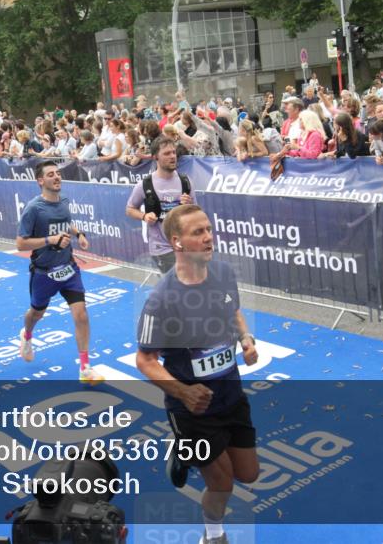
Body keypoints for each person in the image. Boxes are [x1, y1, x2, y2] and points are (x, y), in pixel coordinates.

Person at [135, 204, 259, 544]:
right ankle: (213, 535)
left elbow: (234, 311)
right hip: (193, 410)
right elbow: (145, 360)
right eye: (197, 233)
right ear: (176, 242)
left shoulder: (223, 274)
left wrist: (246, 339)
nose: (208, 238)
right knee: (222, 484)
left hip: (231, 397)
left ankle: (183, 453)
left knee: (249, 474)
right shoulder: (161, 300)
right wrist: (183, 392)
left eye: (208, 230)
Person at [16, 161, 103, 386]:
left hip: (68, 268)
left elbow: (67, 223)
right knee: (35, 314)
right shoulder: (33, 208)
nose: (57, 177)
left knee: (81, 314)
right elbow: (20, 244)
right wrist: (49, 240)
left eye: (58, 173)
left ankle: (85, 367)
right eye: (51, 174)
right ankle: (26, 335)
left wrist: (79, 234)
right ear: (40, 181)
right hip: (44, 273)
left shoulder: (64, 201)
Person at [126, 138, 194, 273]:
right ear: (155, 157)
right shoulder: (145, 184)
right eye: (167, 153)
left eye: (174, 152)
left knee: (185, 287)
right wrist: (144, 216)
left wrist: (190, 205)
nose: (173, 156)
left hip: (184, 245)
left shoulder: (185, 181)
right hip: (162, 248)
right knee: (181, 283)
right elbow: (130, 209)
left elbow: (196, 212)